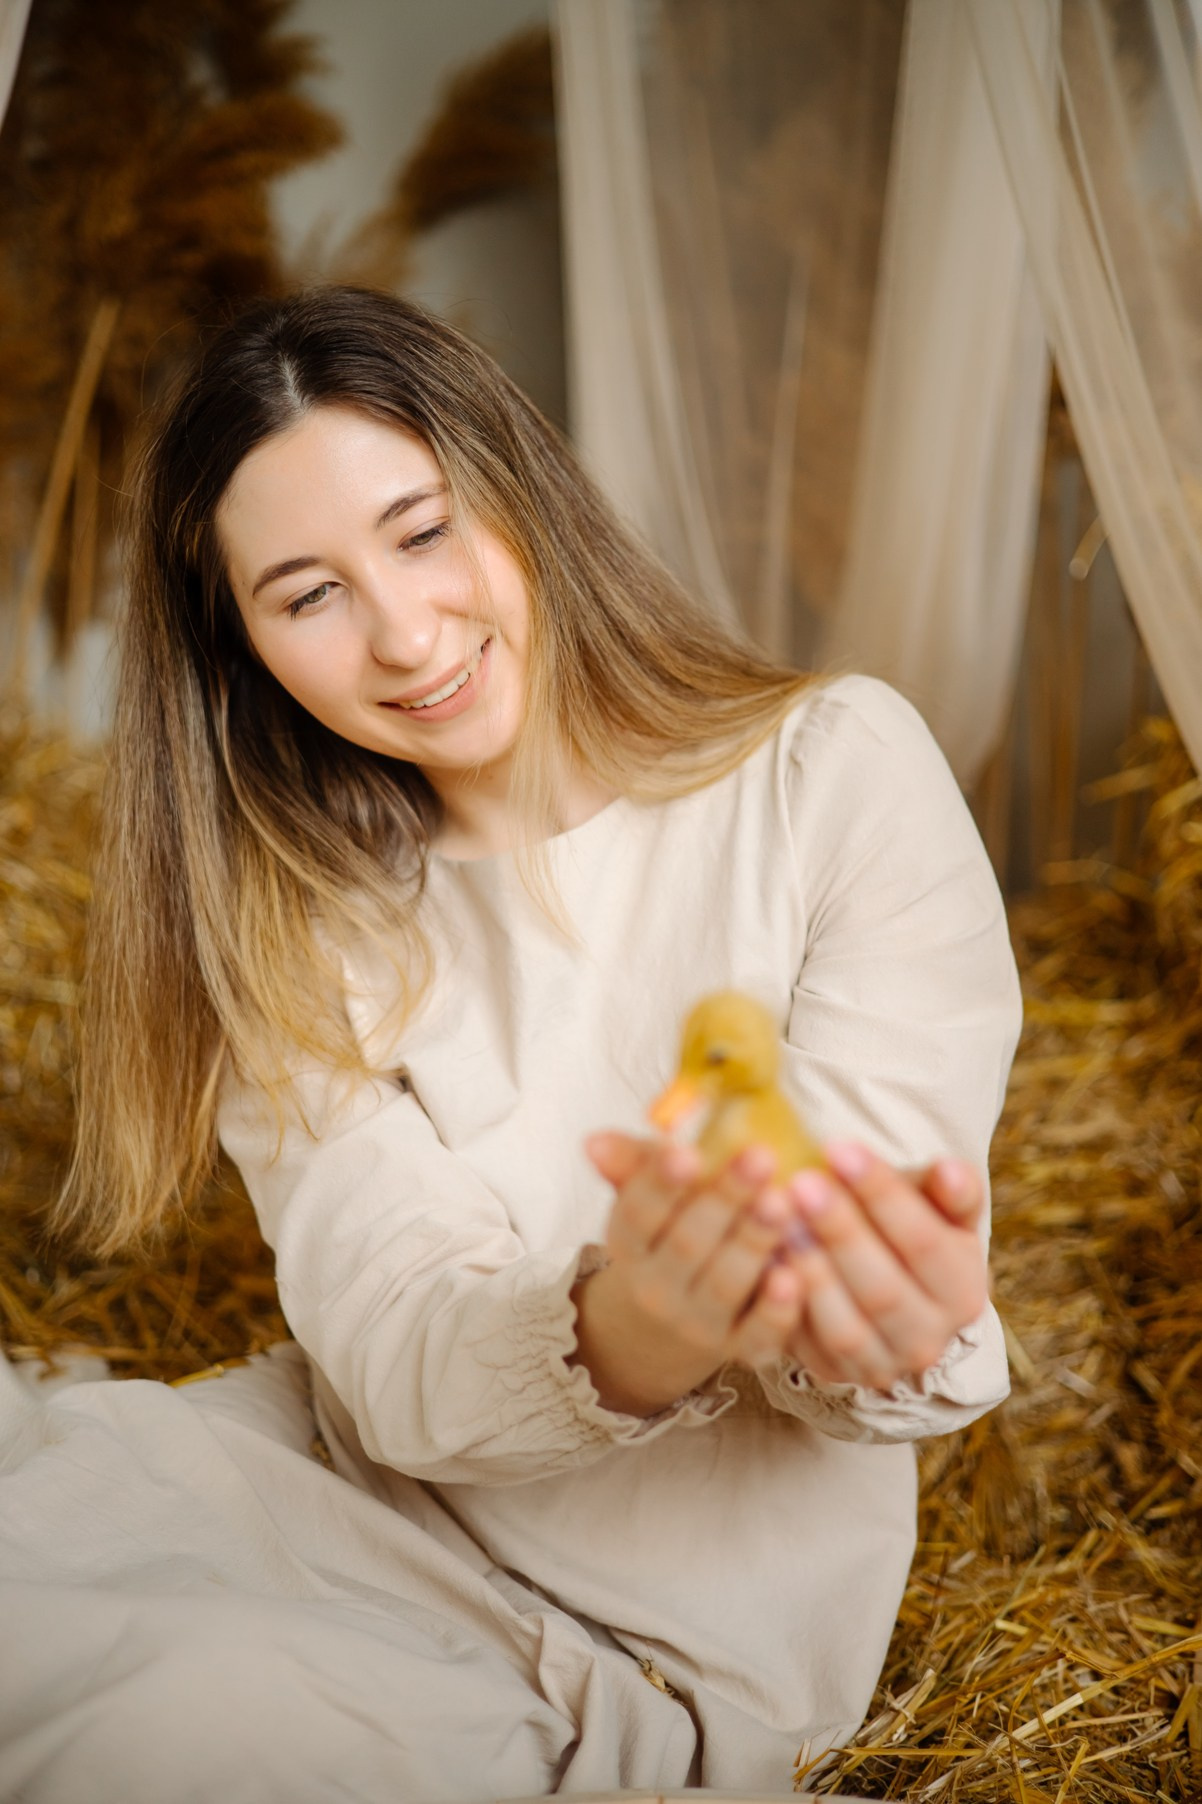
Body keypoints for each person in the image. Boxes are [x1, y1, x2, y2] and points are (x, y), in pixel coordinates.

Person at [40, 285, 1021, 1797]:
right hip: (339, 1490)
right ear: (242, 651)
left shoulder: (831, 776)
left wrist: (882, 1315)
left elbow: (872, 1257)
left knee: (159, 1734)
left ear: (520, 489)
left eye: (422, 531)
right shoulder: (294, 919)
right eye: (306, 595)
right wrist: (637, 1317)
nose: (403, 631)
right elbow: (396, 1350)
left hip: (641, 1644)